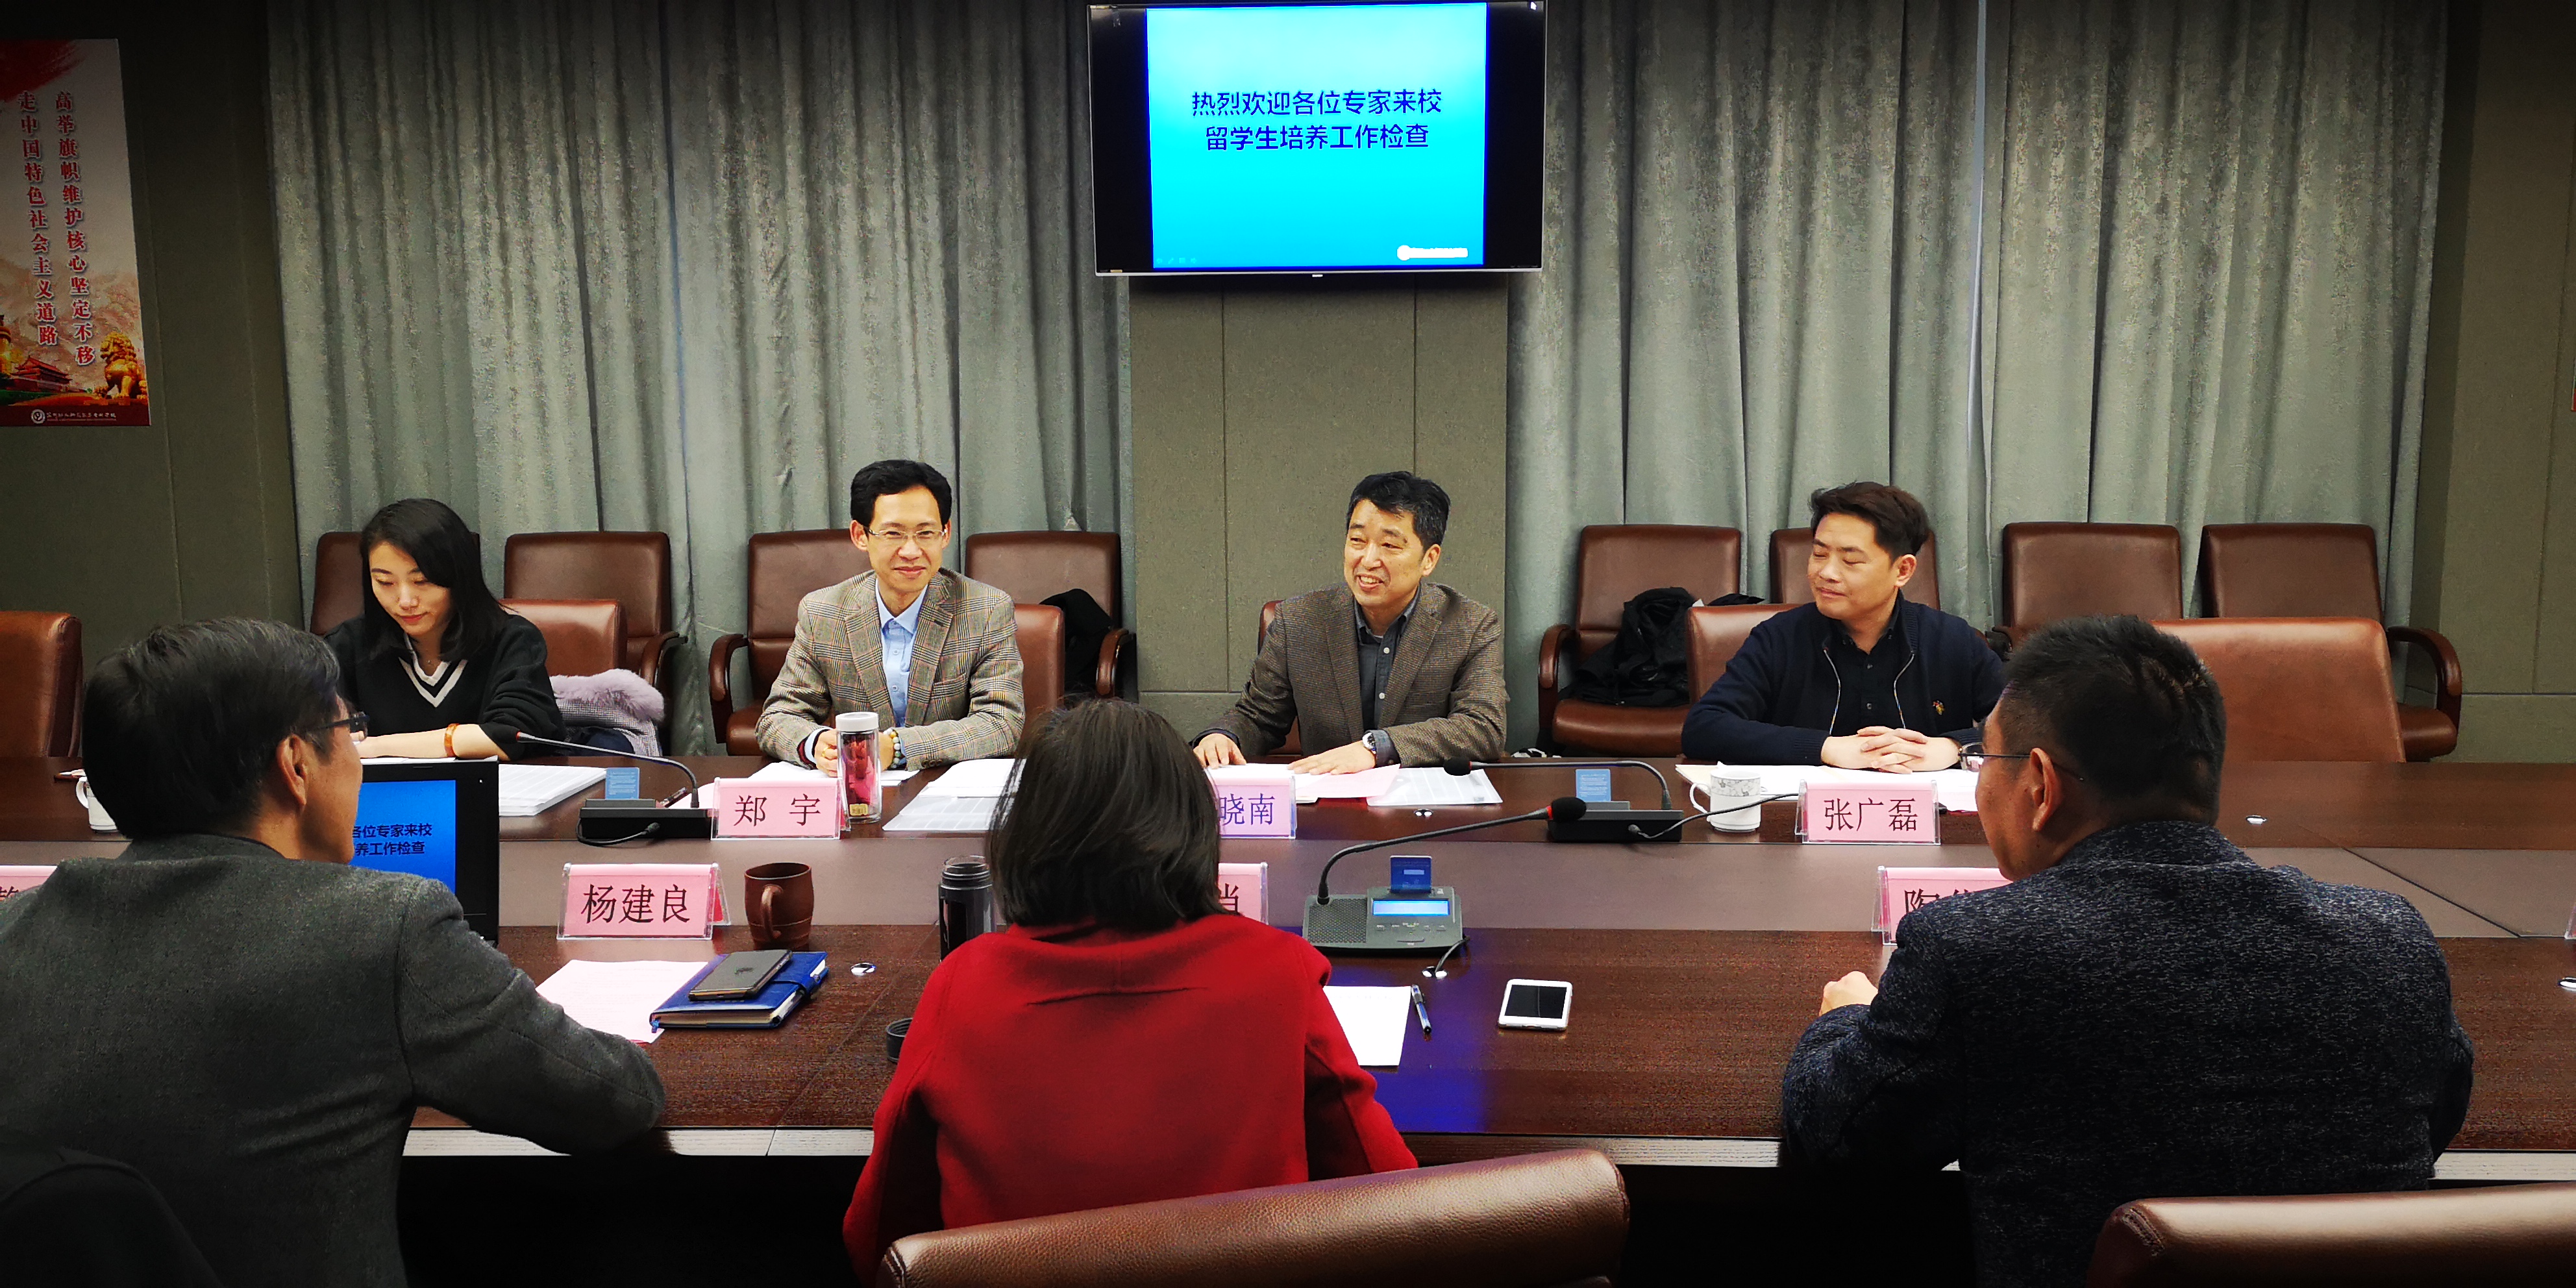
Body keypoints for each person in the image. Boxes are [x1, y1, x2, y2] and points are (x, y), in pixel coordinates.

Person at [1779, 615, 2473, 1288]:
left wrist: (1845, 1020)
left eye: (1982, 759)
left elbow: (1835, 1139)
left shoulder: (1977, 949)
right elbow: (2432, 1115)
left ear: (2040, 785)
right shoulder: (2389, 938)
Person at [0, 619, 665, 1288]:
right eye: (351, 731)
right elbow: (613, 1099)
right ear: (296, 765)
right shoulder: (381, 927)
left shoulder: (13, 932)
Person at [845, 699, 1415, 1269]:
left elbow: (878, 1238)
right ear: (1193, 824)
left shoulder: (963, 985)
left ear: (1027, 834)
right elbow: (1387, 1196)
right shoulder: (1279, 971)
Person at [1194, 471, 1505, 772]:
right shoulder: (1298, 622)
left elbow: (1483, 726)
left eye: (1389, 545)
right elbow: (1258, 716)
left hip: (1424, 798)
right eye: (1358, 540)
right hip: (1327, 797)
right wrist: (1224, 736)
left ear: (1429, 559)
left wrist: (1377, 747)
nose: (1367, 560)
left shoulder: (1471, 625)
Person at [1681, 481, 2001, 769]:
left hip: (1926, 812)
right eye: (1819, 554)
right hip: (1801, 813)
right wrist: (1824, 748)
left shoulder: (1952, 640)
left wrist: (1956, 746)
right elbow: (1704, 727)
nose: (1827, 573)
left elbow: (2025, 723)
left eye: (1851, 561)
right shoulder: (1779, 637)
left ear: (1902, 570)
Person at [758, 458, 1025, 771]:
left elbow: (1002, 723)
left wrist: (898, 748)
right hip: (857, 789)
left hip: (944, 786)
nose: (911, 551)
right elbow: (778, 717)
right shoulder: (824, 613)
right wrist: (816, 744)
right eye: (893, 534)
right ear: (860, 535)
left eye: (926, 533)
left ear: (945, 534)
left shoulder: (986, 609)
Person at [325, 497, 566, 759]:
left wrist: (376, 746)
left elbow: (512, 735)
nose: (405, 601)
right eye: (385, 582)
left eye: (422, 581)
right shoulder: (346, 645)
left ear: (459, 576)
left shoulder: (512, 640)